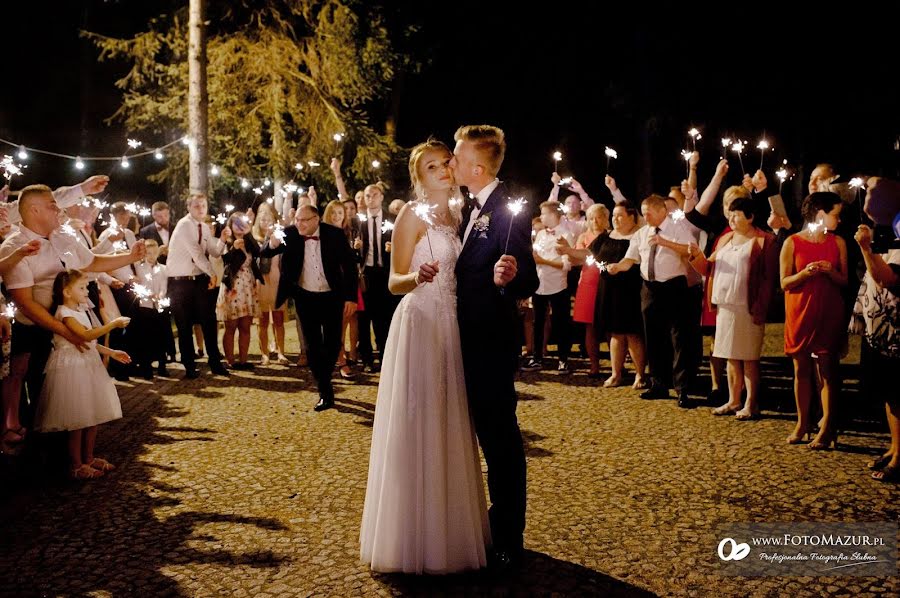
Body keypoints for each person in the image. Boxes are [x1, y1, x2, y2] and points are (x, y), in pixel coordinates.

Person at [361, 139, 490, 574]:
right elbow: (393, 281)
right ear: (419, 177)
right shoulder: (411, 216)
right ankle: (411, 536)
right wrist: (416, 275)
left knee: (450, 420)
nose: (441, 171)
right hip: (419, 318)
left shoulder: (459, 214)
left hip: (452, 323)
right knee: (419, 418)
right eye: (431, 167)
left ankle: (450, 530)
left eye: (444, 164)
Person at [448, 124, 539, 567]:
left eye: (458, 158)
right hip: (466, 338)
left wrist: (511, 276)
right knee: (483, 432)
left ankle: (509, 535)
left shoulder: (506, 211)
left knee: (500, 437)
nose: (452, 162)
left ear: (477, 167)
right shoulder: (470, 208)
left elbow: (530, 277)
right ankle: (489, 519)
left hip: (490, 342)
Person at [32, 270, 131, 479]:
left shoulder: (80, 310)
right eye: (82, 288)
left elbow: (90, 343)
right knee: (77, 419)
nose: (87, 292)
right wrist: (112, 324)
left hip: (87, 364)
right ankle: (76, 465)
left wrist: (111, 352)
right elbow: (85, 335)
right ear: (67, 292)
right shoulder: (64, 313)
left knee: (91, 415)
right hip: (72, 368)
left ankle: (89, 457)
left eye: (86, 287)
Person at [688, 197, 778, 420]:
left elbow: (768, 278)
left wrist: (761, 306)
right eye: (731, 213)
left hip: (747, 305)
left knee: (748, 357)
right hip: (725, 304)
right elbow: (709, 267)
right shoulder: (725, 238)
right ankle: (733, 398)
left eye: (737, 214)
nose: (732, 218)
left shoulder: (763, 241)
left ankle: (751, 402)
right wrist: (695, 256)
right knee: (730, 355)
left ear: (750, 217)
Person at [261, 205, 357, 411]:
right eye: (297, 219)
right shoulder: (290, 234)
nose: (299, 224)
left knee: (332, 344)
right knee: (313, 347)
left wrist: (350, 297)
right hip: (305, 297)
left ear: (316, 219)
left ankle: (325, 376)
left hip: (332, 296)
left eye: (304, 220)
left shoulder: (334, 234)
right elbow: (266, 251)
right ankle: (325, 391)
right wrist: (273, 241)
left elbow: (350, 266)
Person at [607, 194, 698, 407]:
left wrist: (664, 242)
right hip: (650, 288)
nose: (644, 216)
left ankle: (682, 388)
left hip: (674, 286)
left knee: (678, 337)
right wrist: (618, 267)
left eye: (648, 213)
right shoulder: (642, 233)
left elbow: (691, 250)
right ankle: (659, 383)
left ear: (661, 211)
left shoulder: (677, 228)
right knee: (654, 336)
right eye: (643, 212)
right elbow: (631, 258)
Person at [780, 192, 847, 448]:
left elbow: (845, 280)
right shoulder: (792, 243)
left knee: (827, 370)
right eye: (836, 215)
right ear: (820, 214)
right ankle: (802, 422)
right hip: (800, 311)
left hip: (829, 310)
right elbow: (784, 282)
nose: (839, 220)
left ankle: (828, 425)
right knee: (801, 370)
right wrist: (804, 274)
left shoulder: (838, 242)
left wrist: (831, 272)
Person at [851, 178, 900, 482]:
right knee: (890, 392)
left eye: (870, 189)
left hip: (896, 333)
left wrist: (866, 248)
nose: (865, 192)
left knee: (898, 392)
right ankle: (896, 447)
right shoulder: (890, 225)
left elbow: (888, 278)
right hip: (882, 331)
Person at [166, 193, 230, 379]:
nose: (201, 209)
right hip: (180, 282)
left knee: (209, 322)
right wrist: (212, 273)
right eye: (196, 206)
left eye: (203, 205)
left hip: (199, 280)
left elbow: (214, 252)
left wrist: (223, 239)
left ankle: (215, 362)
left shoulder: (204, 227)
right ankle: (189, 365)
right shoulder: (184, 225)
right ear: (189, 208)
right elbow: (196, 253)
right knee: (184, 326)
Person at [216, 212, 262, 370]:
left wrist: (249, 232)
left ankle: (243, 360)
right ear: (230, 225)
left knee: (245, 326)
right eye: (236, 224)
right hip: (232, 287)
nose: (240, 227)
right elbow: (225, 261)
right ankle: (230, 360)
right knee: (230, 326)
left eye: (242, 224)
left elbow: (258, 252)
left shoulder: (249, 240)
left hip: (248, 286)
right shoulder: (226, 241)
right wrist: (234, 248)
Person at [252, 202, 288, 365]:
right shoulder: (254, 239)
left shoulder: (279, 237)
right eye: (262, 217)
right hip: (260, 282)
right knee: (263, 320)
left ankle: (281, 352)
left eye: (269, 217)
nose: (265, 221)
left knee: (279, 318)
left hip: (277, 279)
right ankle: (264, 353)